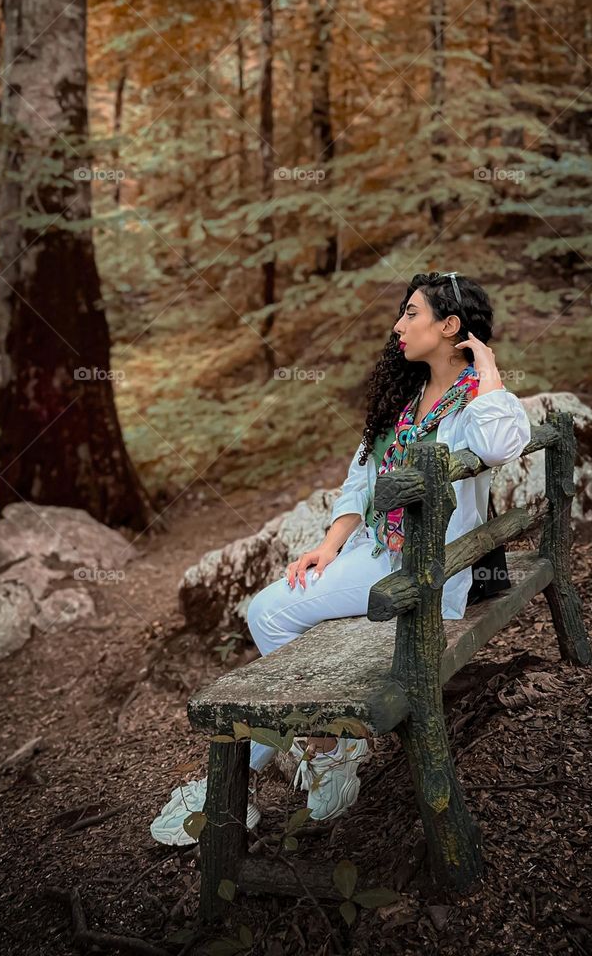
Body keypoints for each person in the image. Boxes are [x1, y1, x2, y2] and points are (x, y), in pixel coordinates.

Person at [150, 271, 532, 846]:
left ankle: (322, 749)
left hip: (427, 570)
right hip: (380, 555)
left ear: (449, 326)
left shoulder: (476, 403)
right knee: (275, 611)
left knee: (269, 615)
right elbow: (360, 477)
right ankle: (327, 745)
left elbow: (503, 445)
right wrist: (329, 546)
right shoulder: (405, 399)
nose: (398, 325)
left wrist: (487, 369)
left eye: (411, 314)